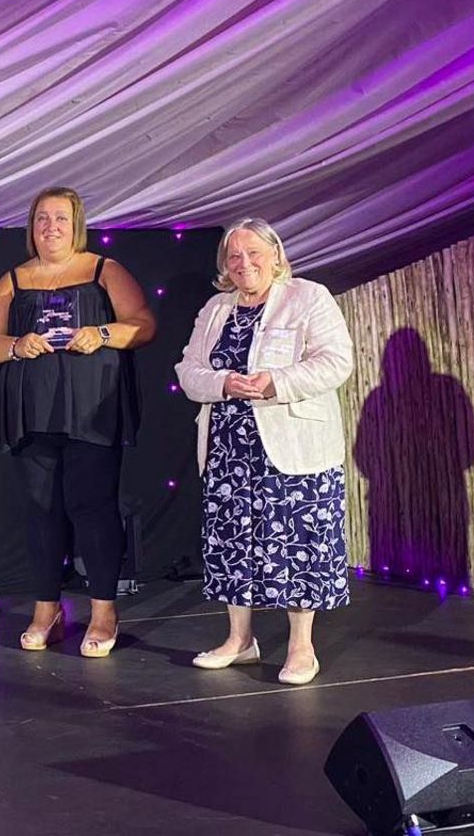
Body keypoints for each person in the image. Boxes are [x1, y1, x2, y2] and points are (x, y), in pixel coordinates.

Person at [0, 187, 156, 657]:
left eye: (59, 219)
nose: (50, 227)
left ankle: (103, 612)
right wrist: (15, 345)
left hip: (91, 409)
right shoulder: (14, 278)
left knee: (93, 507)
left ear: (76, 224)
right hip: (33, 411)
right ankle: (46, 610)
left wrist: (100, 334)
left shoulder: (103, 269)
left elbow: (143, 325)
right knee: (40, 511)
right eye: (41, 219)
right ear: (30, 226)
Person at [174, 218, 354, 685]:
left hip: (292, 443)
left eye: (254, 253)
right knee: (233, 543)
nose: (244, 263)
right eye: (234, 256)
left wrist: (276, 381)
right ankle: (239, 640)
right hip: (228, 446)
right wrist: (222, 382)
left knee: (298, 541)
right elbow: (188, 370)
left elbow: (336, 361)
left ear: (275, 255)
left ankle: (300, 647)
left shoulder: (308, 297)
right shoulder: (216, 308)